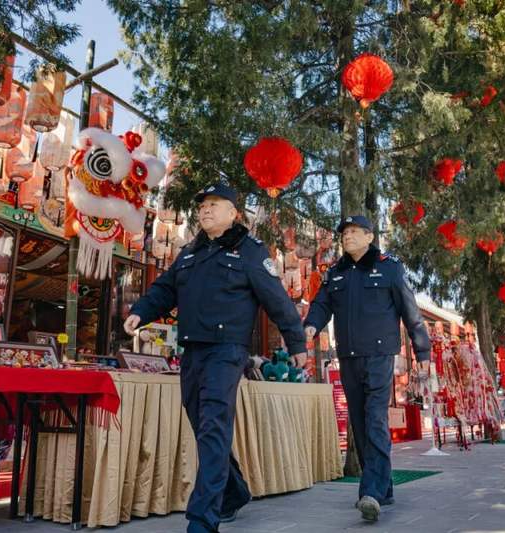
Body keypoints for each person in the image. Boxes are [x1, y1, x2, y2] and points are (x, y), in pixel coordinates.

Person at [124, 184, 306, 533]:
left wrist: (296, 343)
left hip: (227, 350)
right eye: (202, 205)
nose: (205, 210)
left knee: (213, 425)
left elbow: (276, 299)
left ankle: (202, 518)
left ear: (233, 213)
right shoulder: (191, 252)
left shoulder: (250, 251)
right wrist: (141, 311)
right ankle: (234, 492)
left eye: (213, 204)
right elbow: (166, 288)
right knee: (202, 423)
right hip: (192, 349)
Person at [303, 215, 431, 522]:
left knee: (374, 419)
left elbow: (409, 309)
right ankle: (384, 488)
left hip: (378, 355)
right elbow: (321, 304)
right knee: (359, 425)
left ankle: (370, 492)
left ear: (369, 236)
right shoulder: (336, 271)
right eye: (344, 233)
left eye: (353, 232)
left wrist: (421, 348)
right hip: (348, 356)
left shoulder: (389, 267)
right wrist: (311, 325)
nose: (347, 237)